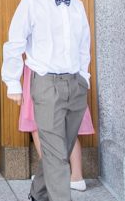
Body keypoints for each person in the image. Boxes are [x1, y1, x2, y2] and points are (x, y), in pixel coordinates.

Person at [1, 0, 106, 201]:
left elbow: (84, 44)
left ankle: (38, 193)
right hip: (45, 85)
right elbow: (14, 43)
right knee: (57, 157)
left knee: (64, 145)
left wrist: (84, 78)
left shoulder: (77, 5)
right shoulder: (31, 4)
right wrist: (13, 83)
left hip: (74, 83)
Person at [19, 63, 94, 191]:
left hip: (39, 73)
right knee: (68, 126)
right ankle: (77, 176)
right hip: (68, 74)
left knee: (37, 124)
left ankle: (50, 174)